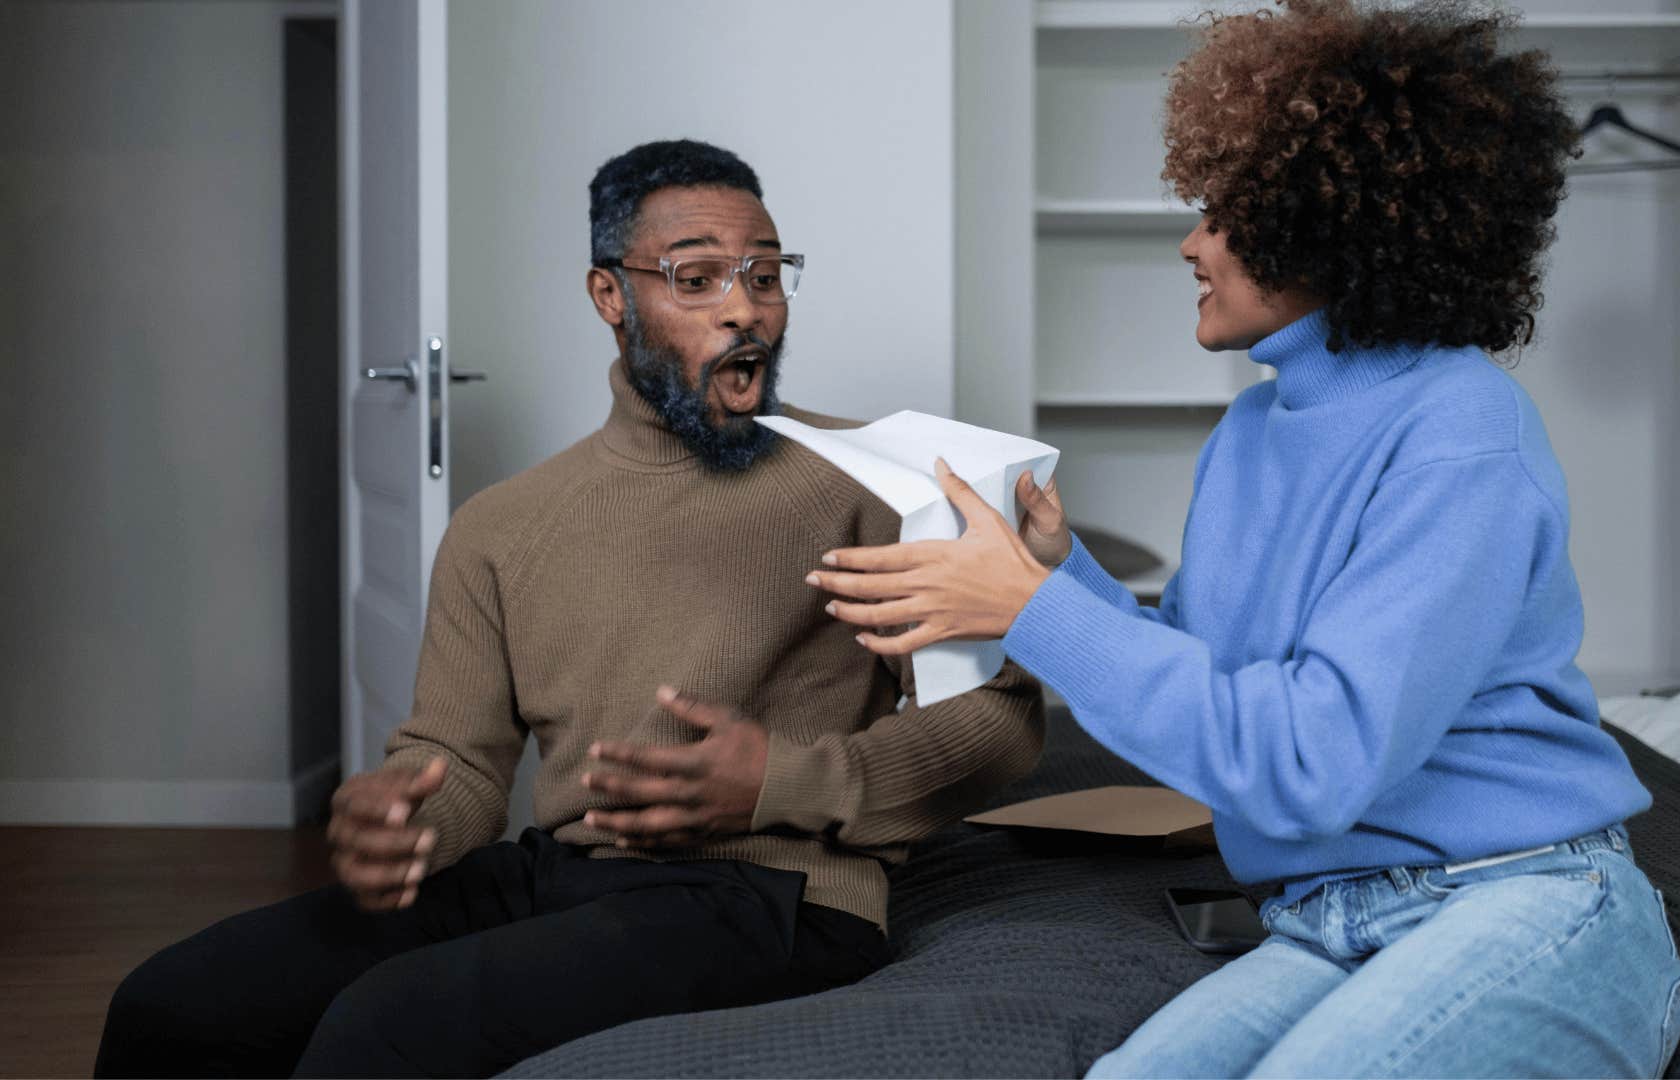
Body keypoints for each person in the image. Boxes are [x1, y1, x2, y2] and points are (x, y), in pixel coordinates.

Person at [810, 2, 1680, 1076]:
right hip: (1327, 918)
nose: (1190, 243)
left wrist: (1028, 613)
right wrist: (1060, 574)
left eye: (1223, 213)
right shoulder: (1251, 431)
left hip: (1524, 895)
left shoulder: (1462, 433)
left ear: (1327, 226)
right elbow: (1210, 694)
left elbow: (1310, 764)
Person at [95, 139, 1045, 1079]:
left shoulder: (877, 483)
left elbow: (1000, 725)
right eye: (698, 278)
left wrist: (780, 782)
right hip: (559, 872)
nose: (745, 310)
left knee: (392, 1027)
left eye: (764, 274)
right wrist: (401, 817)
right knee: (177, 1002)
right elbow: (458, 760)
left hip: (778, 892)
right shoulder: (503, 525)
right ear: (610, 296)